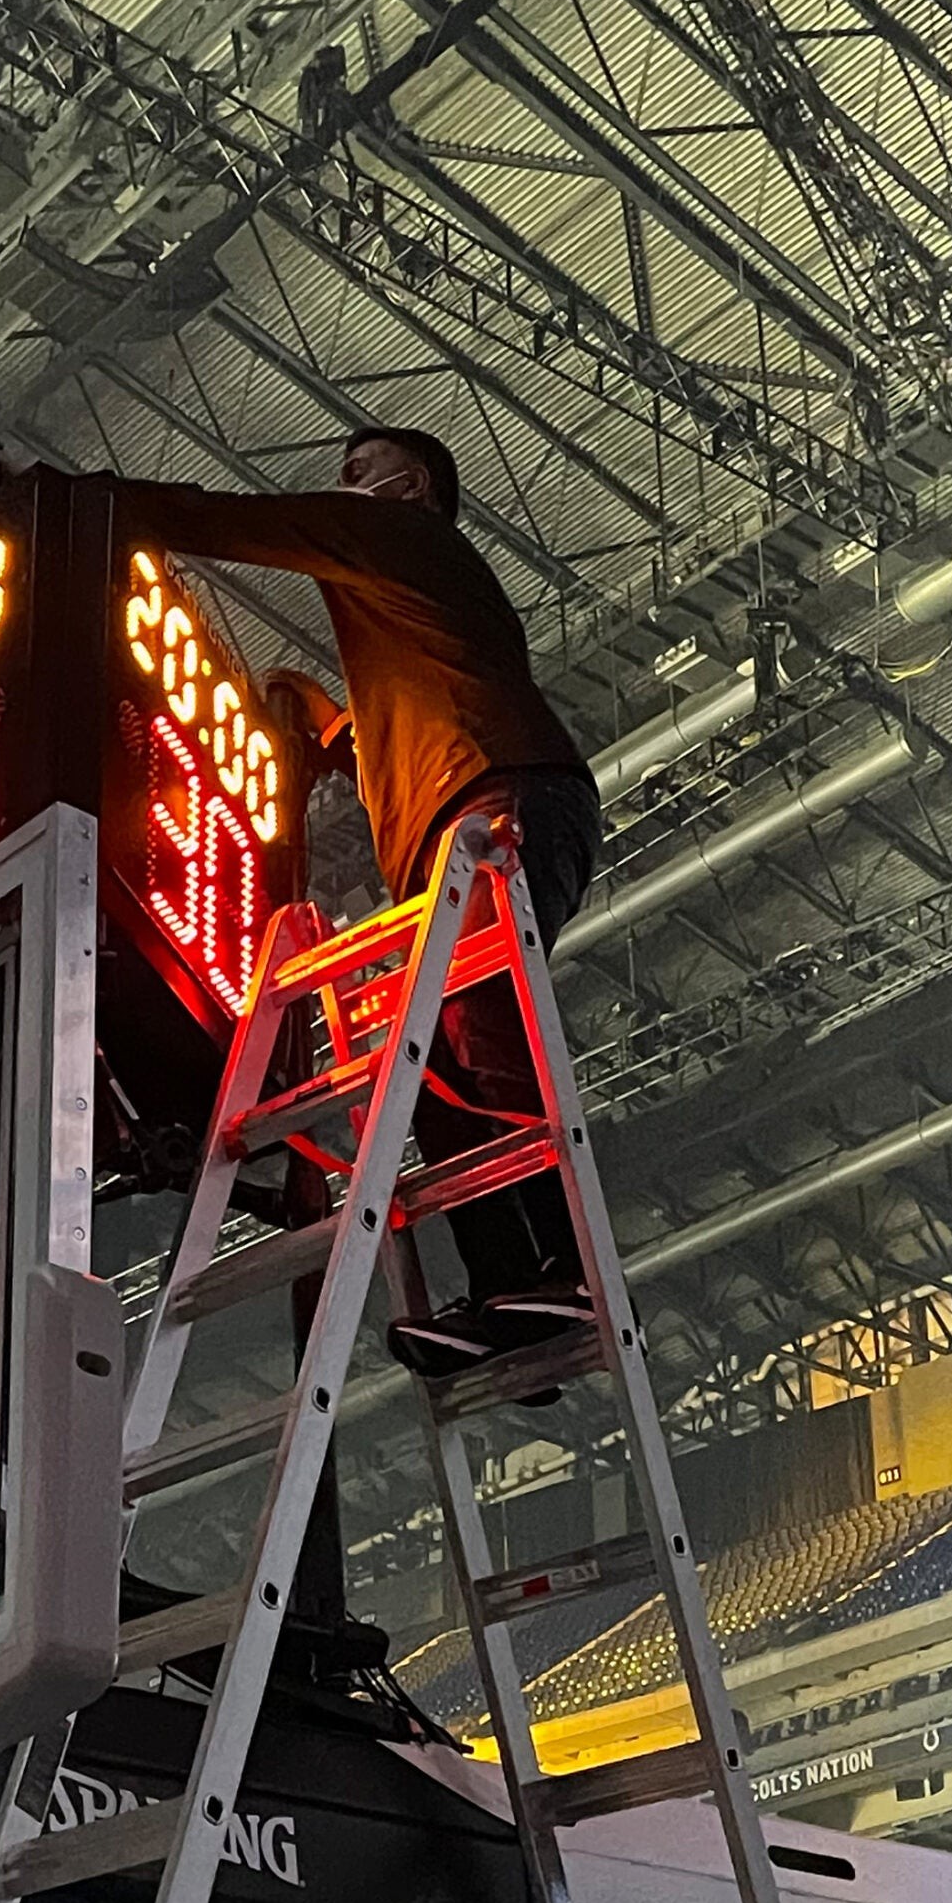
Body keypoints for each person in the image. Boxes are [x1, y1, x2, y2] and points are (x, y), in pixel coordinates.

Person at [114, 427, 605, 1377]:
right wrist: (324, 723)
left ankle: (565, 1270)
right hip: (457, 826)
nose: (341, 489)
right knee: (432, 1069)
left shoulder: (404, 536)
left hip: (503, 800)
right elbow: (385, 730)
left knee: (485, 1025)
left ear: (410, 485)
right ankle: (511, 1295)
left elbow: (243, 522)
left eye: (356, 474)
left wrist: (93, 504)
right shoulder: (416, 620)